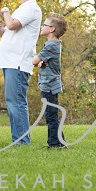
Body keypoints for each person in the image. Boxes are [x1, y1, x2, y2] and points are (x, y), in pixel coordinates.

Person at [0, 0, 43, 145]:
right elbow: (9, 33)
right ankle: (18, 140)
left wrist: (6, 12)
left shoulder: (32, 8)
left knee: (16, 102)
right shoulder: (22, 9)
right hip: (9, 62)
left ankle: (22, 142)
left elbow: (13, 25)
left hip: (18, 62)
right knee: (12, 101)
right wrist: (1, 27)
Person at [33, 14, 68, 148]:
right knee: (51, 114)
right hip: (48, 85)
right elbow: (40, 62)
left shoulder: (51, 46)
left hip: (50, 86)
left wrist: (39, 61)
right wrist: (40, 62)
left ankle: (54, 143)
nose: (42, 27)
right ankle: (60, 142)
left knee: (51, 115)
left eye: (44, 25)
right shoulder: (52, 45)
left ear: (52, 29)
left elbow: (34, 61)